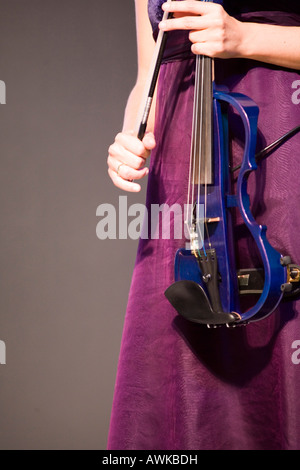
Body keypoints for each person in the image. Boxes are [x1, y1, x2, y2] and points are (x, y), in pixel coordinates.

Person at [107, 0, 300, 450]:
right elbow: (151, 73)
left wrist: (247, 37)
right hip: (186, 166)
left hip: (279, 139)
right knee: (186, 369)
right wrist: (130, 135)